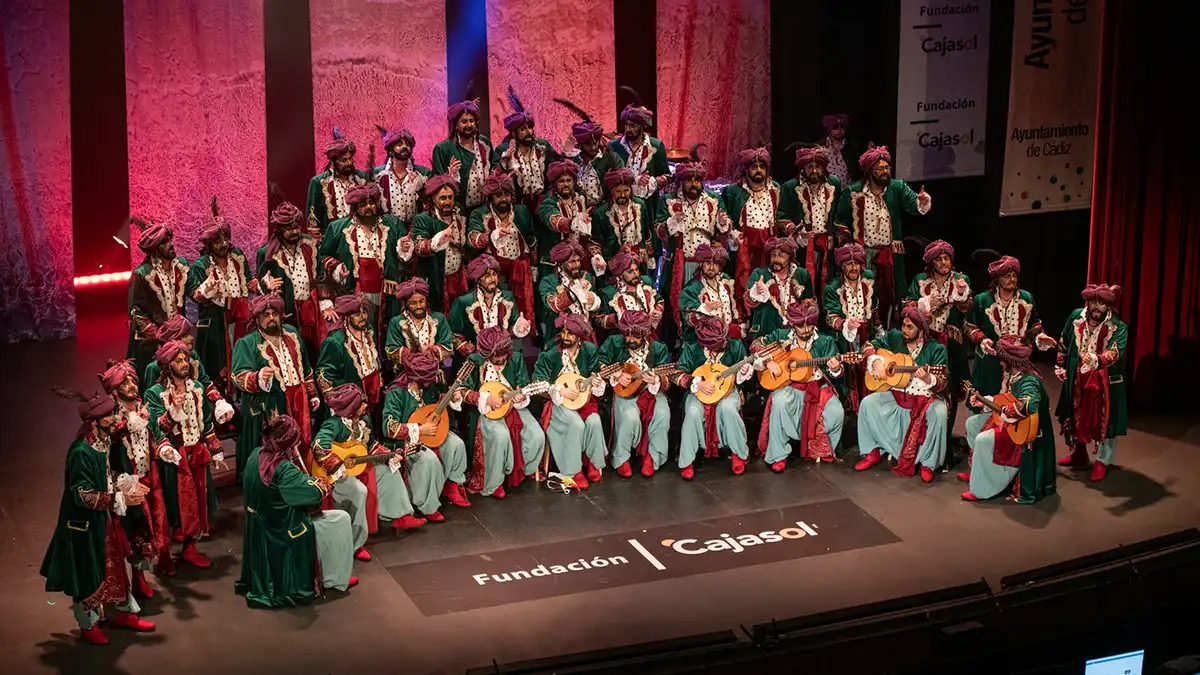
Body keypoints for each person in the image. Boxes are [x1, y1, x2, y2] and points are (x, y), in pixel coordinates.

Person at [41, 390, 156, 645]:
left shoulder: (103, 443)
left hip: (103, 520)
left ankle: (125, 613)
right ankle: (88, 624)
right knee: (89, 574)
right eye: (109, 416)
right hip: (84, 525)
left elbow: (104, 476)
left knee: (117, 566)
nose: (115, 419)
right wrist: (119, 499)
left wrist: (126, 485)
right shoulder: (81, 451)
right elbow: (82, 494)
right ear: (94, 422)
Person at [236, 414, 359, 608]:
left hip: (260, 526)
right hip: (283, 529)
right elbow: (312, 493)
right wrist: (323, 483)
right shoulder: (284, 469)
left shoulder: (255, 454)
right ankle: (336, 578)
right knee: (340, 519)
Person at [313, 383, 428, 563]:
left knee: (389, 471)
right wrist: (337, 465)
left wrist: (388, 455)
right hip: (337, 473)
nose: (365, 406)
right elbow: (319, 446)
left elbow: (371, 445)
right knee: (359, 491)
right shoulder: (334, 424)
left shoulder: (364, 421)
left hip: (359, 466)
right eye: (361, 403)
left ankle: (400, 514)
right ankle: (355, 544)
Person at [144, 340, 223, 574]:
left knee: (196, 502)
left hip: (195, 453)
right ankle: (164, 555)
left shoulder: (196, 387)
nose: (183, 363)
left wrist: (215, 448)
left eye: (185, 359)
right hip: (171, 458)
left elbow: (205, 421)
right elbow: (158, 428)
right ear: (167, 365)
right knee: (170, 506)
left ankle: (190, 548)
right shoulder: (155, 393)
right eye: (177, 360)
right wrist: (173, 411)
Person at [836, 144, 931, 325]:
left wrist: (923, 201)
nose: (885, 172)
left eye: (887, 168)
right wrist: (849, 247)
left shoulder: (897, 187)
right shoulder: (853, 192)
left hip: (890, 253)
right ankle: (868, 328)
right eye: (880, 169)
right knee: (866, 293)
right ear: (869, 170)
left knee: (892, 293)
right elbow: (840, 222)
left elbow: (915, 205)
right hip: (864, 254)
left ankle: (890, 328)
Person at [854, 305, 949, 483]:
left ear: (921, 330)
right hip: (897, 395)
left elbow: (942, 383)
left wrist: (928, 378)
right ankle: (872, 451)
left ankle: (928, 463)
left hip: (924, 399)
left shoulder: (936, 349)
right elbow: (868, 345)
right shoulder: (894, 337)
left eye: (909, 327)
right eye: (903, 325)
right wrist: (875, 361)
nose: (904, 330)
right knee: (868, 403)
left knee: (940, 412)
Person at [231, 295, 321, 483]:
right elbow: (237, 376)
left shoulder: (292, 334)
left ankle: (302, 479)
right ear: (257, 319)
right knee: (277, 449)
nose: (271, 318)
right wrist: (257, 377)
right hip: (270, 403)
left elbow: (305, 367)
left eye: (274, 314)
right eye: (266, 315)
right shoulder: (247, 343)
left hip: (299, 399)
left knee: (302, 440)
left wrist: (312, 393)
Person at [962, 337, 1057, 503]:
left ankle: (982, 489)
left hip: (1025, 432)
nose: (1000, 363)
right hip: (1010, 421)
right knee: (972, 424)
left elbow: (1030, 404)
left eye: (1002, 360)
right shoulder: (1013, 374)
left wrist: (1008, 412)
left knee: (983, 439)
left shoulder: (1029, 380)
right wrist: (985, 402)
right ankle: (980, 471)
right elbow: (1006, 399)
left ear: (1009, 361)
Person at [100, 360, 166, 599]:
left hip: (148, 476)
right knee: (129, 533)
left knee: (146, 530)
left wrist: (164, 447)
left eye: (133, 381)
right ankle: (126, 584)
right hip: (124, 482)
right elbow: (111, 439)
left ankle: (141, 577)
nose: (131, 386)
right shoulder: (110, 414)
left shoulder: (143, 407)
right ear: (115, 389)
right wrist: (129, 424)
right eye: (124, 383)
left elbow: (157, 434)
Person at [453, 326, 546, 497]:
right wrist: (485, 399)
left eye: (503, 355)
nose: (500, 359)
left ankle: (523, 468)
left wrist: (521, 396)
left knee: (536, 434)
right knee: (500, 436)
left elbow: (523, 385)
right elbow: (462, 391)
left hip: (512, 407)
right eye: (496, 356)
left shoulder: (515, 358)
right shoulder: (474, 361)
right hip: (487, 411)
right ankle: (494, 481)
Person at [754, 300, 846, 469]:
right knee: (779, 401)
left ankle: (821, 449)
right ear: (793, 324)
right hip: (790, 387)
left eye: (809, 326)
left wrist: (836, 368)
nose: (806, 330)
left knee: (837, 412)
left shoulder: (825, 341)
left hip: (817, 387)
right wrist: (768, 361)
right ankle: (778, 454)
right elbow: (757, 345)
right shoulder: (782, 336)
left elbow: (838, 374)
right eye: (801, 326)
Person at [906, 239, 973, 460]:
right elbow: (906, 307)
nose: (944, 262)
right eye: (939, 259)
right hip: (927, 342)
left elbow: (967, 308)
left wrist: (962, 294)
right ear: (931, 262)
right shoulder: (920, 280)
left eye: (947, 258)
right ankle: (920, 440)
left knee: (950, 390)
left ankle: (943, 445)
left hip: (951, 344)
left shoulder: (961, 280)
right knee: (922, 387)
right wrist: (923, 304)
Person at [1055, 284, 1128, 482]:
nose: (1097, 307)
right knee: (1075, 414)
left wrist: (1098, 360)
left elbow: (1115, 352)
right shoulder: (1076, 317)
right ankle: (1079, 453)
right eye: (1093, 302)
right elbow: (1064, 341)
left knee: (1105, 422)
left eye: (1101, 303)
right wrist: (1060, 365)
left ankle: (1103, 461)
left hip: (1104, 382)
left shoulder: (1118, 327)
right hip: (1077, 377)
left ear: (1108, 306)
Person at [381, 350, 468, 511]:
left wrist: (453, 398)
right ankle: (428, 504)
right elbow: (389, 428)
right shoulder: (396, 393)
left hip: (431, 433)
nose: (433, 380)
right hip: (407, 440)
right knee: (429, 460)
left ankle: (452, 485)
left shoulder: (428, 387)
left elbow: (437, 403)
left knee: (457, 444)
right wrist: (420, 430)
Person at [672, 315, 756, 478]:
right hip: (699, 392)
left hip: (727, 391)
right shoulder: (692, 347)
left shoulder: (735, 345)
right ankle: (687, 460)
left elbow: (745, 373)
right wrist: (696, 383)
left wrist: (744, 372)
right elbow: (676, 373)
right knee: (693, 411)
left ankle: (739, 454)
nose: (723, 345)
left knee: (728, 408)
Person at [320, 177, 407, 333]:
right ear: (354, 207)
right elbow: (323, 256)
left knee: (385, 329)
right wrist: (337, 268)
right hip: (355, 289)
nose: (368, 208)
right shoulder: (338, 228)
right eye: (363, 204)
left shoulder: (392, 224)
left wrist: (404, 248)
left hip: (386, 290)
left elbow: (406, 254)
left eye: (371, 203)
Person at [964, 255, 1056, 400]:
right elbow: (969, 325)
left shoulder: (1027, 298)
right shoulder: (982, 300)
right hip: (990, 363)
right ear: (997, 278)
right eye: (1007, 276)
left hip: (1019, 364)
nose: (1012, 279)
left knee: (1017, 406)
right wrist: (982, 340)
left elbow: (1035, 324)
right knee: (986, 405)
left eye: (1014, 276)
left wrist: (1039, 336)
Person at [533, 314, 608, 489]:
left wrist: (596, 383)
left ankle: (593, 462)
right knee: (577, 424)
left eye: (570, 334)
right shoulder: (550, 353)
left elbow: (594, 374)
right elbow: (538, 382)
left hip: (583, 400)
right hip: (558, 403)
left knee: (594, 421)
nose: (565, 337)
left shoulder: (589, 350)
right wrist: (560, 390)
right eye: (564, 332)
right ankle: (573, 471)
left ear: (579, 337)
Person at [658, 162, 734, 333]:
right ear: (681, 181)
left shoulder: (713, 199)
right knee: (676, 302)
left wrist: (723, 223)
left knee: (704, 301)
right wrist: (672, 222)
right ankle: (677, 339)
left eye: (697, 180)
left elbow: (726, 228)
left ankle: (705, 335)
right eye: (689, 181)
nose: (694, 184)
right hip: (679, 262)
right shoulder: (669, 200)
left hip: (706, 265)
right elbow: (658, 230)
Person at [188, 203, 253, 398]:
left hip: (240, 321)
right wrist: (206, 289)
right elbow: (194, 295)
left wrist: (263, 284)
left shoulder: (237, 257)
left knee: (242, 360)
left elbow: (248, 282)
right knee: (219, 368)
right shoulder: (200, 266)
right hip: (216, 325)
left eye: (226, 238)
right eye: (218, 241)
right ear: (208, 245)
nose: (224, 244)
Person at [598, 310, 672, 478]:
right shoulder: (614, 342)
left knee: (662, 413)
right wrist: (616, 375)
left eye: (635, 337)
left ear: (645, 334)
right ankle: (621, 457)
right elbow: (599, 362)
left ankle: (652, 456)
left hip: (649, 390)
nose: (630, 339)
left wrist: (655, 380)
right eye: (627, 335)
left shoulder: (658, 348)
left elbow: (666, 377)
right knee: (629, 416)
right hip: (625, 391)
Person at [257, 199, 334, 357]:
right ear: (279, 229)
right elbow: (258, 283)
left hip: (310, 310)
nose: (294, 232)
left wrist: (326, 302)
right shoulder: (266, 253)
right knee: (292, 353)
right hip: (285, 314)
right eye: (288, 228)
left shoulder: (310, 244)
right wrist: (265, 285)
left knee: (314, 352)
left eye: (296, 227)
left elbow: (321, 276)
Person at [466, 171, 538, 325]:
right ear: (490, 197)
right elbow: (472, 239)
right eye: (498, 195)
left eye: (507, 194)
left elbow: (531, 239)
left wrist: (534, 265)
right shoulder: (479, 214)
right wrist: (492, 236)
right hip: (494, 271)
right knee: (499, 308)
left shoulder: (521, 211)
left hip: (520, 268)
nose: (503, 199)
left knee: (524, 307)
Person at [141, 315, 236, 425]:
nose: (191, 338)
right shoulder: (154, 368)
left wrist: (219, 401)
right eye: (185, 335)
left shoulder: (193, 355)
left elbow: (204, 382)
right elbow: (154, 402)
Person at [126, 220, 189, 384]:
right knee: (154, 381)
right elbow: (136, 312)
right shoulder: (142, 274)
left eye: (169, 240)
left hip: (177, 337)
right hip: (152, 343)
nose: (170, 245)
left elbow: (192, 291)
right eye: (164, 243)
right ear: (154, 249)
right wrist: (159, 335)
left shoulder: (181, 266)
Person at [779, 145, 846, 297]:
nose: (814, 170)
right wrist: (793, 229)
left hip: (827, 244)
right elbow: (781, 215)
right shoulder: (791, 187)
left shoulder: (833, 183)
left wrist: (837, 234)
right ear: (803, 168)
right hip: (803, 244)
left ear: (823, 167)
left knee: (827, 283)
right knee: (803, 283)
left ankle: (825, 311)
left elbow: (839, 213)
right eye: (810, 167)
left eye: (818, 166)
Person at [723, 147, 787, 301]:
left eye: (762, 167)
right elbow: (726, 219)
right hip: (745, 246)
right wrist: (732, 233)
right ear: (746, 169)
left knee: (770, 284)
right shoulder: (733, 191)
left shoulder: (776, 188)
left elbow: (782, 216)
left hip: (769, 245)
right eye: (754, 167)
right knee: (745, 283)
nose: (759, 170)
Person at [823, 243, 880, 413]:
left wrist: (878, 327)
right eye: (849, 264)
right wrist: (844, 324)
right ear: (842, 266)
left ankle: (867, 406)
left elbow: (874, 307)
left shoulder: (869, 280)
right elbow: (830, 317)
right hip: (845, 336)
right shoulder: (833, 288)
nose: (853, 268)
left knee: (867, 368)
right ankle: (849, 408)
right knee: (848, 371)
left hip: (866, 333)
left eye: (856, 264)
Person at [491, 87, 560, 211]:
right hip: (517, 207)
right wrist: (504, 162)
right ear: (514, 133)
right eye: (523, 129)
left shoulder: (542, 147)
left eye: (530, 127)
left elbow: (558, 168)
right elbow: (494, 180)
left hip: (542, 204)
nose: (529, 132)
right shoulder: (504, 149)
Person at [409, 174, 469, 313]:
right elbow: (419, 247)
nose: (447, 202)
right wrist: (436, 241)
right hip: (435, 281)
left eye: (450, 197)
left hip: (457, 278)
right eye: (442, 198)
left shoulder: (460, 213)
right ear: (433, 199)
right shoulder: (423, 219)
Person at [450, 255, 533, 355]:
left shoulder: (507, 297)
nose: (493, 279)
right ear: (478, 280)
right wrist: (467, 348)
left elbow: (512, 326)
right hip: (475, 356)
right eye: (487, 276)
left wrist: (518, 328)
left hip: (501, 355)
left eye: (494, 274)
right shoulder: (463, 301)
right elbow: (454, 333)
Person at [316, 294, 383, 415]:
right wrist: (342, 402)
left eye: (364, 313)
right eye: (357, 314)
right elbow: (324, 377)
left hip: (373, 398)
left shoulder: (368, 331)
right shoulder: (335, 341)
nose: (363, 317)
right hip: (351, 405)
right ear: (346, 317)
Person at [538, 159, 606, 276]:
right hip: (556, 261)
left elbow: (590, 236)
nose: (565, 184)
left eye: (568, 180)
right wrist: (575, 222)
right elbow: (555, 221)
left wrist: (596, 255)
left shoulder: (581, 198)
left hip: (579, 258)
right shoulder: (548, 202)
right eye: (561, 181)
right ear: (555, 183)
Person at [745, 236, 814, 342]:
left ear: (790, 257)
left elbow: (809, 302)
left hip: (794, 332)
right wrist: (755, 292)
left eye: (781, 255)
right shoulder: (760, 273)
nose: (776, 259)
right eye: (773, 255)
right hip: (765, 332)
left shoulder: (802, 274)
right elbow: (747, 299)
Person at [557, 103, 624, 208]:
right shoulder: (575, 160)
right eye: (588, 144)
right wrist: (566, 153)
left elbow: (620, 184)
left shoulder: (611, 158)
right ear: (580, 145)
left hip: (604, 210)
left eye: (595, 143)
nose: (593, 147)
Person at [306, 129, 366, 241]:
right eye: (343, 160)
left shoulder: (361, 178)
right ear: (333, 162)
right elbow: (313, 218)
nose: (349, 163)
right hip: (333, 239)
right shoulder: (319, 182)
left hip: (360, 237)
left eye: (350, 159)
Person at [432, 99, 491, 212]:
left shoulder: (484, 143)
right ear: (456, 125)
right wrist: (450, 176)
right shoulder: (443, 148)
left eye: (471, 121)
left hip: (483, 208)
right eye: (464, 121)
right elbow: (436, 182)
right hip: (458, 209)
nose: (468, 125)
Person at [538, 241, 603, 342]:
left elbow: (595, 313)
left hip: (585, 336)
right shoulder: (548, 281)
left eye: (578, 260)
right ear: (561, 263)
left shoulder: (587, 276)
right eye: (572, 262)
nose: (577, 265)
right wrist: (576, 289)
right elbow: (554, 305)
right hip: (560, 337)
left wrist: (593, 301)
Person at [678, 244, 744, 341]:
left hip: (728, 335)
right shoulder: (692, 288)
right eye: (708, 263)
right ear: (701, 264)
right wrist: (704, 310)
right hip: (705, 339)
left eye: (716, 264)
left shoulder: (725, 281)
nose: (712, 267)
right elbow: (688, 318)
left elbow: (735, 306)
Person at [385, 278, 453, 372]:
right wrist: (414, 356)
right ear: (406, 304)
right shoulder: (396, 322)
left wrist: (432, 351)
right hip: (407, 373)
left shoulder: (439, 318)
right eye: (413, 303)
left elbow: (448, 346)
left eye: (421, 301)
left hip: (434, 371)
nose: (418, 306)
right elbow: (392, 351)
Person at [609, 103, 670, 205]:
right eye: (626, 125)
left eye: (633, 126)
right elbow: (607, 175)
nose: (628, 129)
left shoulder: (656, 145)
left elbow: (667, 176)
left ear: (643, 126)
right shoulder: (614, 146)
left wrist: (652, 181)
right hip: (620, 201)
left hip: (647, 203)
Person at [595, 250, 664, 337]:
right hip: (623, 339)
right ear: (620, 274)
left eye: (636, 270)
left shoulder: (647, 282)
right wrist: (617, 318)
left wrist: (658, 311)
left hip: (649, 335)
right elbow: (598, 320)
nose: (636, 274)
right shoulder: (609, 293)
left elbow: (659, 300)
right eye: (630, 272)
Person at [373, 124, 431, 224]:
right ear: (390, 150)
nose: (404, 147)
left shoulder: (423, 172)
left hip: (415, 228)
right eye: (399, 144)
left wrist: (421, 190)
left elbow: (431, 204)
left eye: (407, 144)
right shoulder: (378, 174)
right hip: (388, 228)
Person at [820, 113, 854, 184]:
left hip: (846, 189)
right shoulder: (821, 148)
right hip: (827, 189)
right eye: (836, 127)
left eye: (842, 127)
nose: (840, 130)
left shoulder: (851, 147)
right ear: (829, 129)